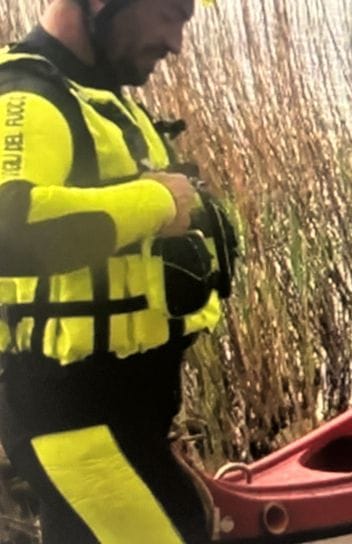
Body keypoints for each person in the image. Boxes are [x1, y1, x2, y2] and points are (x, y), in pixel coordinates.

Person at [0, 0, 236, 541]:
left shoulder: (99, 100)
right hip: (74, 424)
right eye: (169, 14)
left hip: (119, 423)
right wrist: (154, 200)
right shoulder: (25, 97)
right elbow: (8, 231)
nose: (176, 43)